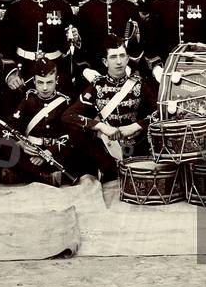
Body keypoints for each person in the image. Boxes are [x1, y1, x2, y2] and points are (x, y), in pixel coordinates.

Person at [63, 35, 158, 180]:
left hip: (135, 146)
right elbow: (68, 116)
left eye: (122, 56)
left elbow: (160, 112)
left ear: (128, 59)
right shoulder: (97, 86)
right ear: (105, 62)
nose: (119, 62)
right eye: (113, 57)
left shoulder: (139, 84)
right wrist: (101, 127)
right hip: (106, 150)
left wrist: (136, 126)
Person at [0, 57, 88, 186]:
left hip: (55, 152)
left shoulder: (65, 102)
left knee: (78, 153)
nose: (45, 88)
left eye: (49, 82)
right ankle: (44, 177)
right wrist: (22, 145)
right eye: (40, 82)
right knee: (4, 146)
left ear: (56, 80)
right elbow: (10, 128)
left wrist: (49, 152)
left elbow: (70, 133)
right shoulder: (28, 100)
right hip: (30, 153)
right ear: (34, 81)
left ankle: (26, 175)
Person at [1, 0, 76, 97]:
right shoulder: (16, 8)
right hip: (23, 73)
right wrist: (11, 74)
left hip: (54, 73)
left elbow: (67, 48)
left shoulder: (63, 6)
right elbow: (5, 46)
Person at [74, 0, 141, 81]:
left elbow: (137, 45)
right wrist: (86, 70)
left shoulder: (130, 7)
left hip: (125, 72)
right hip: (94, 73)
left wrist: (129, 67)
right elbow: (81, 48)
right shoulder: (86, 9)